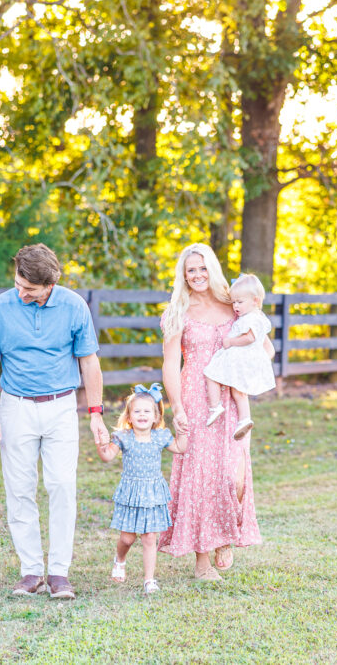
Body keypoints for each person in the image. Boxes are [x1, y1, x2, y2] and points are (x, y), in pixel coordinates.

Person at [0, 243, 110, 599]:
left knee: (62, 486)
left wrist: (96, 412)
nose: (20, 292)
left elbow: (89, 362)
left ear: (50, 284)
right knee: (19, 489)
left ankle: (59, 572)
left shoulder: (74, 306)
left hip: (61, 407)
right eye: (18, 283)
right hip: (16, 406)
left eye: (28, 289)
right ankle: (30, 571)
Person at [159, 243, 270, 580]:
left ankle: (226, 533)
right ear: (183, 274)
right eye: (191, 269)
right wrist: (175, 407)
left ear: (212, 269)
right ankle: (202, 562)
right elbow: (169, 364)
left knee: (233, 474)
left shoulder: (231, 302)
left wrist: (258, 358)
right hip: (196, 396)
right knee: (200, 478)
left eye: (203, 268)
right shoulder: (178, 311)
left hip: (231, 396)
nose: (197, 275)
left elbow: (261, 339)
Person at [96, 383, 188, 594]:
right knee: (128, 538)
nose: (142, 415)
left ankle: (149, 580)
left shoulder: (160, 436)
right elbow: (107, 456)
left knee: (149, 537)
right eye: (137, 411)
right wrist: (100, 444)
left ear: (156, 416)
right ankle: (120, 559)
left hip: (153, 493)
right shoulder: (124, 437)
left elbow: (180, 448)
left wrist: (182, 431)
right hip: (131, 493)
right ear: (129, 416)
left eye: (147, 411)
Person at [202, 273, 276, 440]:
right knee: (238, 392)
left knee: (210, 372)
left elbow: (250, 338)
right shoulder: (255, 317)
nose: (235, 306)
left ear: (255, 301)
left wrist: (231, 341)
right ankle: (244, 419)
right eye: (234, 302)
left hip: (240, 358)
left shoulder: (251, 319)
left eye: (240, 302)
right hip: (242, 359)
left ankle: (215, 406)